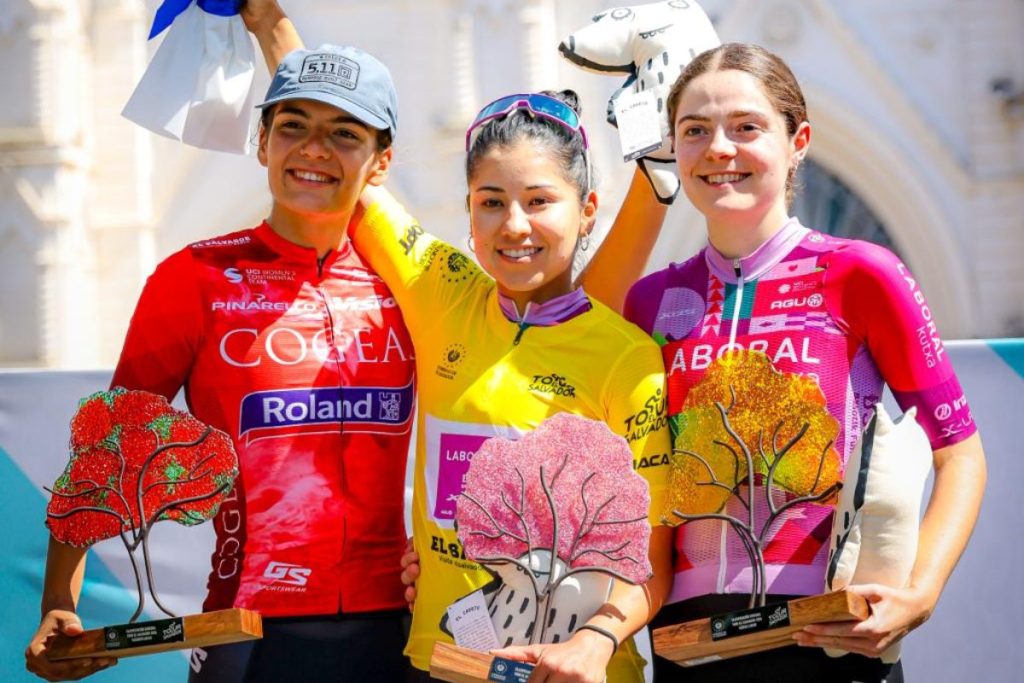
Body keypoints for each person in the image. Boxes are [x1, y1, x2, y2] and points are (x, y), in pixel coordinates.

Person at [25, 14, 418, 683]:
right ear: (261, 142)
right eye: (292, 125)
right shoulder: (195, 277)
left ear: (381, 161)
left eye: (344, 134)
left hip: (401, 632)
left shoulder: (411, 283)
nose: (314, 148)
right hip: (247, 633)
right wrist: (59, 598)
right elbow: (112, 446)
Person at [618, 42, 987, 682]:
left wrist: (919, 593)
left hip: (834, 634)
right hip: (689, 642)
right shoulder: (649, 300)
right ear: (673, 148)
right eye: (695, 130)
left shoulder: (861, 273)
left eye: (746, 127)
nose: (719, 148)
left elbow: (960, 455)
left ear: (798, 142)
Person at [351, 87, 674, 682]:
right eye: (491, 202)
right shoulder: (445, 294)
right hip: (445, 662)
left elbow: (653, 559)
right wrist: (270, 35)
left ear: (587, 210)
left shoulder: (628, 358)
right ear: (469, 212)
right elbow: (346, 163)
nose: (514, 225)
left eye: (539, 200)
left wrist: (594, 642)